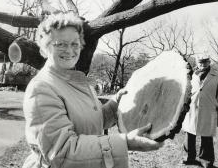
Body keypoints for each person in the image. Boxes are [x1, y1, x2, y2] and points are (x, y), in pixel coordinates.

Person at [22, 11, 164, 168]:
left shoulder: (78, 82)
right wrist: (125, 142)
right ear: (45, 46)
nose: (69, 50)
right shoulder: (41, 88)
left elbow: (92, 121)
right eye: (60, 44)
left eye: (74, 44)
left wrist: (115, 104)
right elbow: (62, 151)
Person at [181, 53, 218, 168]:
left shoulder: (217, 76)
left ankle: (205, 160)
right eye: (200, 62)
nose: (203, 64)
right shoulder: (191, 75)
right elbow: (185, 89)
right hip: (191, 108)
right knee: (189, 134)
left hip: (208, 109)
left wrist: (216, 105)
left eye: (205, 61)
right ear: (197, 62)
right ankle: (188, 158)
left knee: (207, 135)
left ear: (209, 62)